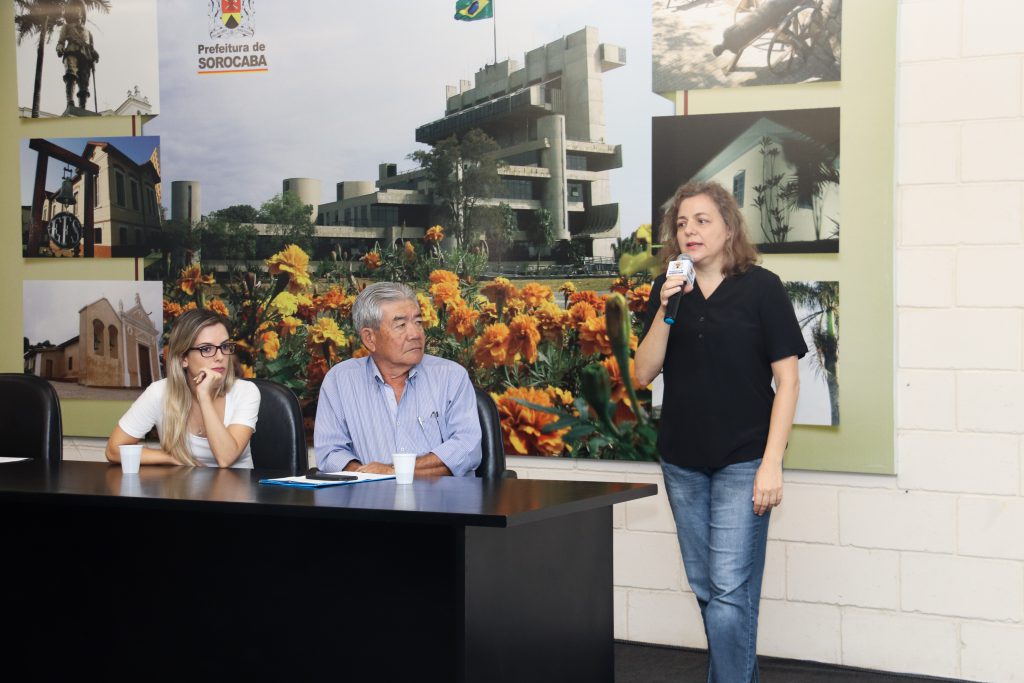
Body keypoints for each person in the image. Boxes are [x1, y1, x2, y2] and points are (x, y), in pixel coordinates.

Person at [635, 180, 806, 683]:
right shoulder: (668, 291)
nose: (689, 230)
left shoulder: (762, 288)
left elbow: (788, 381)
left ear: (729, 228)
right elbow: (643, 373)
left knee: (730, 590)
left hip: (744, 459)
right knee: (710, 589)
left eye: (702, 220)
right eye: (681, 223)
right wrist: (666, 309)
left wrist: (771, 464)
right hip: (682, 461)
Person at [314, 282, 482, 477]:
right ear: (369, 338)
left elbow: (466, 448)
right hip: (368, 495)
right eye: (401, 325)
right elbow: (330, 453)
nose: (415, 334)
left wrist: (393, 471)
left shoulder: (451, 376)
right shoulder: (339, 381)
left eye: (418, 322)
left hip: (441, 496)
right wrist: (368, 477)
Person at [106, 309, 260, 469]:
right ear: (183, 358)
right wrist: (170, 458)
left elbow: (226, 458)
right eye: (206, 349)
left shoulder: (246, 391)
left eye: (225, 346)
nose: (220, 357)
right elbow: (113, 450)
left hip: (235, 484)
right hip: (181, 484)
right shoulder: (159, 392)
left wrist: (204, 396)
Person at [55, 0, 99, 112]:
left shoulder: (88, 32)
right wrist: (60, 47)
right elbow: (61, 41)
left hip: (85, 57)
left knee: (84, 83)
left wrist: (94, 53)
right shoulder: (66, 27)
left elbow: (91, 48)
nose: (76, 12)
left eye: (79, 10)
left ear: (82, 14)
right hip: (71, 52)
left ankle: (82, 107)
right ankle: (70, 101)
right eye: (74, 10)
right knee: (70, 74)